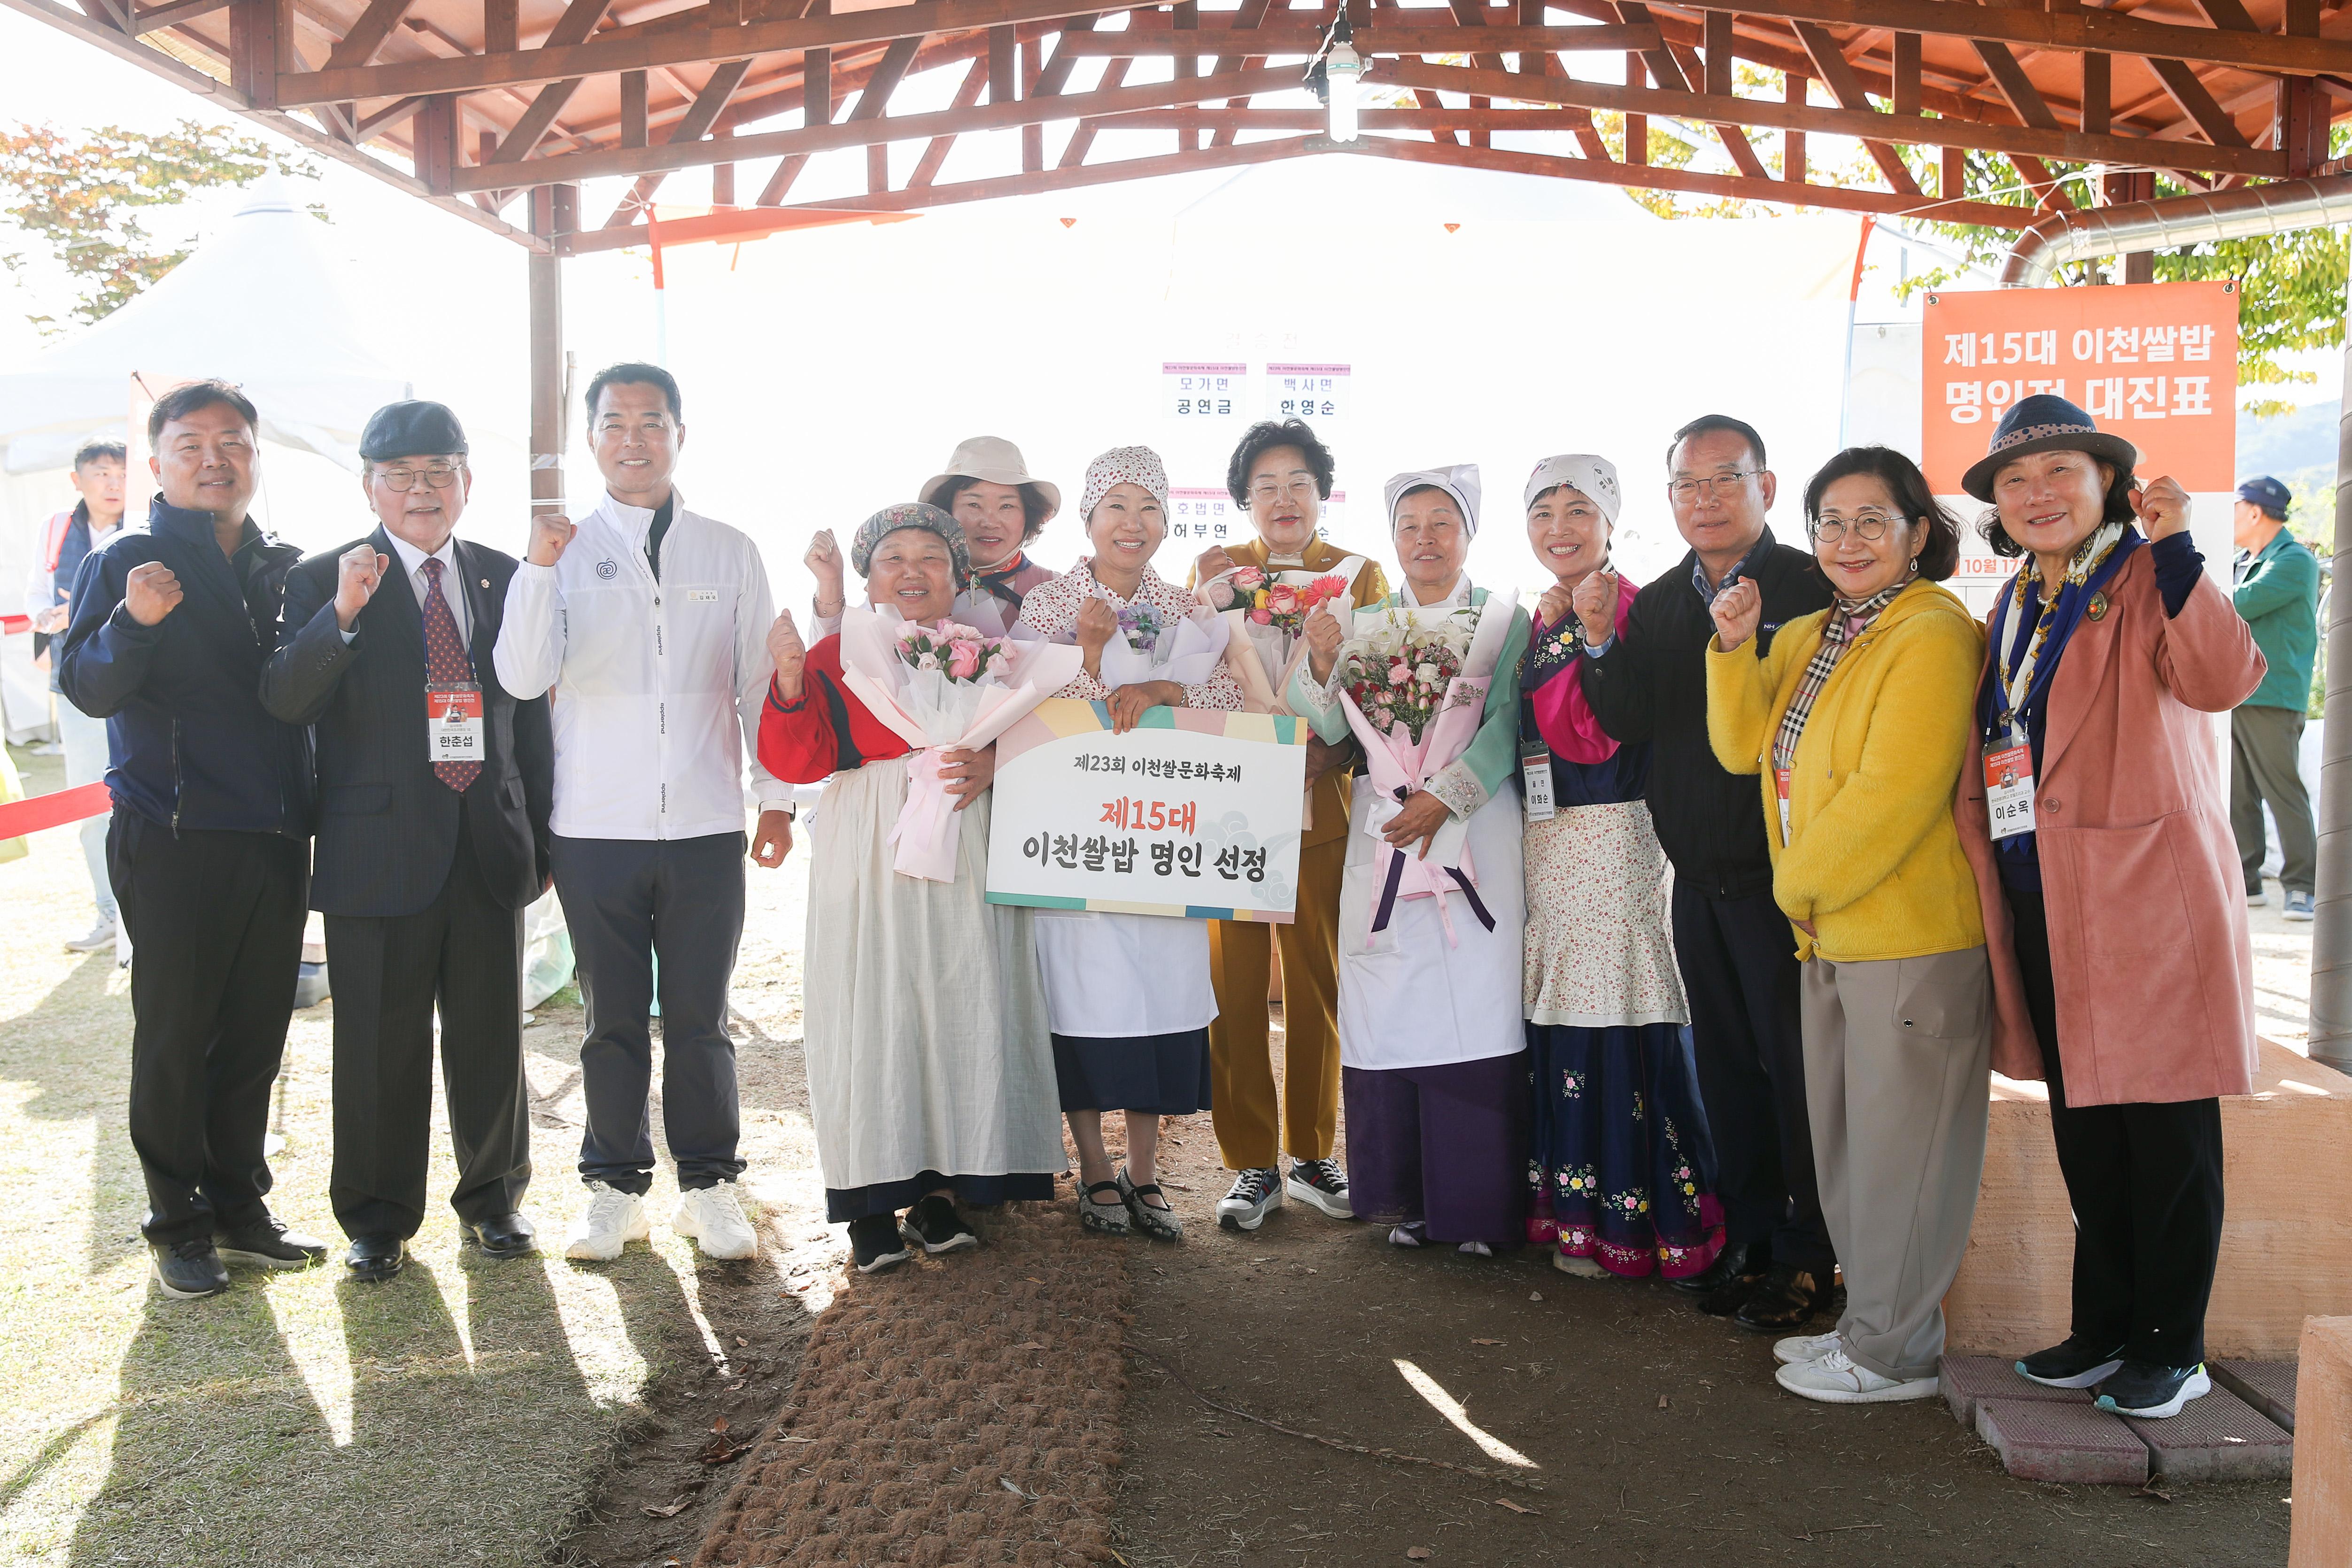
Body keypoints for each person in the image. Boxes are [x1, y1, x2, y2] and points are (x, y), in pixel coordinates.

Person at [1954, 395, 2264, 1421]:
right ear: (1996, 506)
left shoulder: (2143, 572)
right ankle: (2103, 1328)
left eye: (2058, 474)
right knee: (2087, 1127)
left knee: (2165, 1131)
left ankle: (2170, 1346)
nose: (2036, 495)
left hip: (2144, 897)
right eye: (2014, 481)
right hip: (2045, 895)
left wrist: (2179, 551)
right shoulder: (2015, 601)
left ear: (2105, 485)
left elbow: (2220, 678)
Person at [1706, 446, 1992, 1405]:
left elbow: (1893, 791)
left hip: (1906, 937)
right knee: (1851, 1149)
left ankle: (1894, 1353)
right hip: (1831, 931)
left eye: (1872, 519)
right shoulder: (1815, 632)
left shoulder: (1932, 631)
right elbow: (1742, 741)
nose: (1847, 539)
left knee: (1903, 1155)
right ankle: (1868, 1325)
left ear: (1918, 532)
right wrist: (1733, 646)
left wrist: (1793, 886)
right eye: (1830, 520)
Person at [492, 362, 794, 1265]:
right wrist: (539, 572)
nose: (634, 437)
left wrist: (774, 798)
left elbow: (752, 683)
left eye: (652, 421)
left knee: (701, 1016)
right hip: (593, 824)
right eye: (616, 422)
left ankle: (709, 1185)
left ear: (678, 434)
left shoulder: (727, 547)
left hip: (703, 822)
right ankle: (613, 1189)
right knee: (610, 1016)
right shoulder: (561, 550)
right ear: (592, 439)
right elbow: (517, 673)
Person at [260, 401, 552, 1283]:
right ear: (369, 486)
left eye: (440, 471)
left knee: (490, 1037)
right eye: (402, 475)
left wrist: (538, 839)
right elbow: (285, 699)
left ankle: (495, 1197)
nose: (422, 490)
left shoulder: (507, 577)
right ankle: (378, 1216)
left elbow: (532, 720)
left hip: (487, 842)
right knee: (378, 1044)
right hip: (374, 851)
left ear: (467, 480)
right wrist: (344, 613)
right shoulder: (322, 577)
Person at [56, 379, 328, 1299]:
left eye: (233, 441)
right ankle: (177, 1224)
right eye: (191, 443)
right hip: (171, 834)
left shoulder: (284, 563)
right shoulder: (129, 557)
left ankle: (241, 1209)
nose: (215, 458)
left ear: (255, 453)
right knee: (176, 1035)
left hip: (273, 833)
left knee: (254, 1034)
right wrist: (135, 620)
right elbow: (85, 685)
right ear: (158, 459)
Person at [1576, 414, 1836, 1333]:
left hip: (1787, 880)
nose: (1706, 499)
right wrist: (1602, 639)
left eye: (1724, 479)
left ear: (1765, 485)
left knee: (1800, 1073)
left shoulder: (1813, 582)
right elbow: (1629, 719)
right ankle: (1752, 1240)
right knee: (1727, 1070)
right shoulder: (1657, 602)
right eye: (1687, 485)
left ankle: (1813, 1258)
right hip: (1697, 876)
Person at [758, 503, 1064, 1274]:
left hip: (967, 831)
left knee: (958, 996)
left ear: (958, 577)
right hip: (869, 837)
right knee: (873, 1007)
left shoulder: (990, 652)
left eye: (931, 556)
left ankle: (939, 1188)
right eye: (893, 557)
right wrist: (792, 681)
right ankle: (868, 1203)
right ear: (867, 577)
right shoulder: (838, 652)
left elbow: (1038, 741)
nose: (912, 570)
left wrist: (994, 762)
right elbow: (801, 762)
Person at [1289, 465, 1531, 1256]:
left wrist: (1447, 793)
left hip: (1471, 830)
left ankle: (1478, 1209)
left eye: (1441, 523)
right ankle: (1409, 1198)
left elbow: (1503, 724)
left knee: (1477, 1008)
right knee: (1390, 1009)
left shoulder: (1502, 619)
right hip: (1386, 829)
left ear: (1466, 533)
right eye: (1409, 525)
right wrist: (1322, 657)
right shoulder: (1361, 619)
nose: (1424, 540)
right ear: (1390, 537)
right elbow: (1325, 721)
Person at [1015, 448, 1244, 1241]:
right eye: (1115, 505)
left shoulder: (1187, 608)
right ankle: (1094, 1169)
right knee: (1079, 1001)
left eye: (1149, 507)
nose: (1132, 522)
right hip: (1076, 842)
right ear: (1087, 519)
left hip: (1160, 840)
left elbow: (1231, 696)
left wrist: (1165, 688)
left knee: (1156, 998)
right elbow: (1016, 707)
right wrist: (1085, 658)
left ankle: (1145, 1173)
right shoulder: (1046, 605)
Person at [1515, 455, 1722, 1283]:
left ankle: (1642, 1217)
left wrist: (1579, 631)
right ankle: (1577, 1212)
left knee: (1623, 1013)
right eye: (1542, 513)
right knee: (1569, 1013)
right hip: (1551, 838)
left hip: (1616, 834)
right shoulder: (1546, 613)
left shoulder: (1628, 608)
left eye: (1576, 510)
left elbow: (1593, 735)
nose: (1559, 528)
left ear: (1609, 521)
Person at [1189, 418, 1389, 1232]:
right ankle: (1249, 1165)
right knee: (1232, 987)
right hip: (1230, 808)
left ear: (1321, 492)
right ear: (1243, 498)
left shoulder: (1360, 574)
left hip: (1320, 803)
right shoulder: (1211, 574)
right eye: (1265, 484)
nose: (1283, 497)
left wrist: (1329, 753)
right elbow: (1194, 675)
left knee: (1316, 981)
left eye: (1298, 481)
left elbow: (1379, 685)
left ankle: (1312, 1152)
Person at [27, 437, 129, 956]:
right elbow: (38, 601)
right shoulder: (57, 530)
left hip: (137, 681)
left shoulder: (146, 526)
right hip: (77, 678)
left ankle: (143, 916)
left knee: (144, 793)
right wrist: (55, 616)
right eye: (102, 473)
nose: (113, 483)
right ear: (79, 480)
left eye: (121, 473)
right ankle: (108, 911)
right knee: (90, 799)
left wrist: (80, 607)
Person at [804, 436, 1061, 635]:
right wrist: (829, 585)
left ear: (1029, 515)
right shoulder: (910, 586)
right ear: (946, 511)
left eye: (1007, 506)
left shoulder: (1058, 590)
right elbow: (836, 657)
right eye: (973, 505)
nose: (990, 522)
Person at [2226, 474, 2319, 921]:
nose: (2230, 518)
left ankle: (2303, 886)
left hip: (2274, 695)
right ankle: (2246, 881)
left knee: (2282, 790)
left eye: (2235, 507)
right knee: (2238, 792)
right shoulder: (2244, 560)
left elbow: (2239, 603)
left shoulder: (2294, 559)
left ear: (2256, 511)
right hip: (2237, 692)